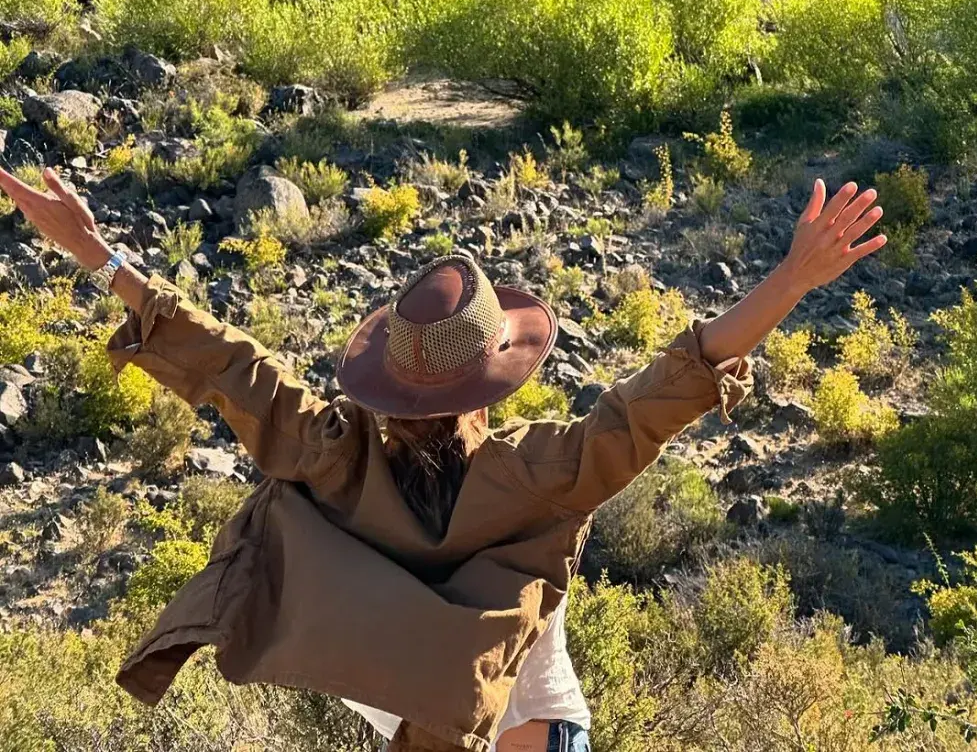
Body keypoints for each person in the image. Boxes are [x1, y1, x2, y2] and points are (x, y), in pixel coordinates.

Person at [0, 166, 885, 752]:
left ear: (387, 375)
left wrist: (97, 251)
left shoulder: (327, 457)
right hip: (539, 735)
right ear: (494, 379)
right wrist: (793, 279)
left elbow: (229, 362)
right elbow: (670, 386)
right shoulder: (542, 476)